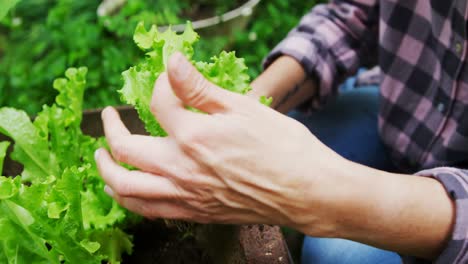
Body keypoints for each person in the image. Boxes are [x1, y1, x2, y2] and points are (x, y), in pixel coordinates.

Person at [94, 1, 468, 263]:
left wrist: (320, 197)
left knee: (336, 254)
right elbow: (352, 16)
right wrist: (242, 113)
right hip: (407, 115)